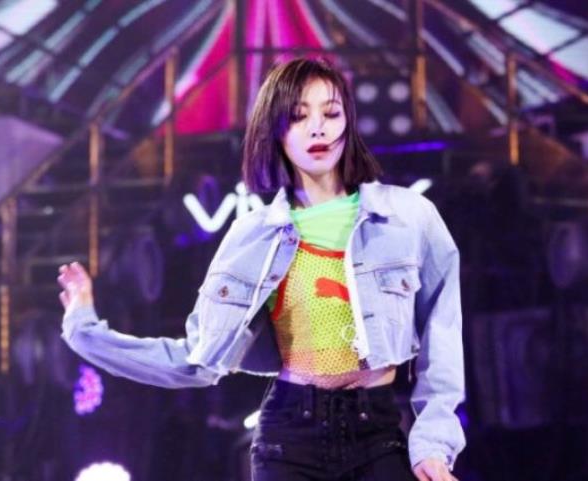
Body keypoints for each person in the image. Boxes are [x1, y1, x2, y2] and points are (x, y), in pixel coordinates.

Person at [58, 57, 465, 481]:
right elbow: (195, 359)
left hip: (377, 432)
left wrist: (434, 445)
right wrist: (85, 330)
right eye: (298, 116)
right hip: (289, 438)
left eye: (331, 113)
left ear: (349, 122)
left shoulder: (408, 216)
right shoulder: (252, 236)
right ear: (276, 131)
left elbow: (443, 335)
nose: (318, 128)